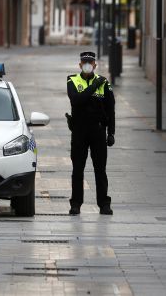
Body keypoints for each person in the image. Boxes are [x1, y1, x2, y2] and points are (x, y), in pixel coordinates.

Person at [66, 51, 115, 215]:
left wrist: (111, 132)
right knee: (77, 169)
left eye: (90, 62)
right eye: (84, 62)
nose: (87, 65)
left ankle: (104, 204)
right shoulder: (72, 80)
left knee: (100, 169)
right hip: (79, 130)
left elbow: (111, 109)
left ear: (95, 65)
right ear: (80, 65)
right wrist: (94, 85)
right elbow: (76, 100)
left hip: (98, 130)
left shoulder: (105, 83)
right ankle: (75, 204)